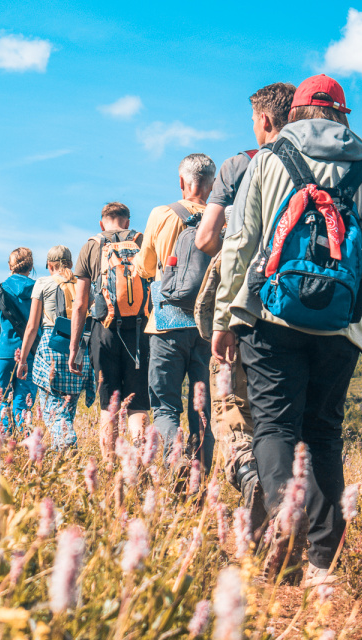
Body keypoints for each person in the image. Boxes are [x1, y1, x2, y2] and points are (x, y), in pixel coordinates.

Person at [212, 74, 362, 586]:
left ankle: (284, 535)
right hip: (340, 327)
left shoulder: (270, 159)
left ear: (294, 111)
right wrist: (348, 298)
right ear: (341, 114)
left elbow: (240, 240)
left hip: (271, 318)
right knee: (324, 436)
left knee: (274, 428)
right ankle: (322, 567)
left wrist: (228, 316)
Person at [193, 82, 295, 536]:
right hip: (308, 308)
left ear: (266, 121)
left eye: (254, 120)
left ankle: (252, 480)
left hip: (247, 304)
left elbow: (207, 238)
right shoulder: (324, 164)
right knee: (286, 420)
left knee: (233, 409)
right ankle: (285, 524)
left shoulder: (241, 164)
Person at [136, 154, 216, 470]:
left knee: (166, 407)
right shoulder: (222, 219)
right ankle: (201, 483)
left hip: (167, 323)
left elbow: (144, 266)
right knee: (203, 412)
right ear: (212, 185)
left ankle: (175, 461)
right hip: (208, 327)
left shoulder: (162, 214)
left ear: (182, 181)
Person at [69, 202, 150, 441]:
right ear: (127, 221)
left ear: (102, 222)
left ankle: (109, 469)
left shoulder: (91, 246)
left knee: (109, 405)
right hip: (139, 330)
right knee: (137, 403)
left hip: (103, 330)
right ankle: (138, 464)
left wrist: (75, 347)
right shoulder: (141, 242)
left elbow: (80, 304)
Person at [16, 246, 95, 448]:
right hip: (79, 349)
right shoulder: (84, 285)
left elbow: (32, 327)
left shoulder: (43, 283)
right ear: (70, 263)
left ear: (50, 265)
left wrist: (23, 359)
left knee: (51, 406)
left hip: (52, 346)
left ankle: (67, 440)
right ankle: (62, 456)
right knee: (68, 407)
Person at [0, 247, 39, 432]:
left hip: (4, 355)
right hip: (30, 355)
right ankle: (23, 444)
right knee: (23, 405)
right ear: (31, 266)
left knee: (0, 402)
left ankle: (2, 443)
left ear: (10, 266)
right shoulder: (38, 289)